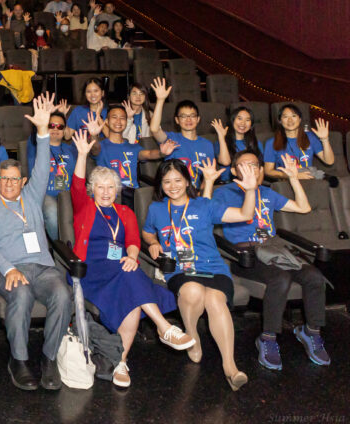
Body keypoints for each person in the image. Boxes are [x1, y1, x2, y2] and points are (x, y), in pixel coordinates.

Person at [71, 131, 194, 388]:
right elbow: (77, 182)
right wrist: (82, 154)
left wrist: (132, 255)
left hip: (120, 267)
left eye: (111, 187)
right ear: (93, 190)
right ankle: (164, 327)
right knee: (131, 277)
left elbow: (134, 241)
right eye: (100, 187)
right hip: (90, 270)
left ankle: (121, 361)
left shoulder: (125, 211)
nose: (106, 192)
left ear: (118, 190)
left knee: (133, 295)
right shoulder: (85, 207)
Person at [0, 93, 71, 391]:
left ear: (22, 181)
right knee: (20, 295)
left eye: (14, 179)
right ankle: (18, 360)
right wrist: (8, 269)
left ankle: (48, 358)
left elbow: (43, 165)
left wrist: (43, 131)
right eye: (3, 179)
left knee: (62, 293)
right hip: (12, 268)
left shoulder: (31, 197)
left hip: (42, 268)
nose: (8, 184)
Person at [140, 159, 258, 391]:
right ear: (160, 185)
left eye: (177, 180)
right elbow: (146, 232)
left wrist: (251, 189)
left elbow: (245, 213)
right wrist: (153, 242)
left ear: (187, 181)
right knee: (192, 290)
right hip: (179, 270)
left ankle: (230, 367)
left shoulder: (204, 205)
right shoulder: (156, 209)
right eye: (166, 182)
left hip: (213, 268)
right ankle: (191, 337)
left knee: (215, 299)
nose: (172, 186)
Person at [206, 150, 329, 370]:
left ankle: (311, 332)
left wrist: (293, 179)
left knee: (315, 277)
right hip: (246, 256)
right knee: (281, 278)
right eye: (243, 166)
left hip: (274, 250)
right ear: (234, 170)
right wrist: (208, 183)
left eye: (254, 165)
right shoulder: (225, 193)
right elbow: (206, 211)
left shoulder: (268, 193)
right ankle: (268, 338)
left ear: (261, 170)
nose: (249, 169)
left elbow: (304, 207)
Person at [94, 105, 176, 208]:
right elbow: (94, 148)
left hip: (133, 196)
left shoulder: (132, 147)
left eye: (122, 118)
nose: (118, 121)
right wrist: (93, 135)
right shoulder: (101, 146)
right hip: (110, 195)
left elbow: (148, 154)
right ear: (106, 121)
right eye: (114, 117)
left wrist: (162, 153)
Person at [149, 78, 215, 190]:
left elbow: (207, 177)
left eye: (192, 116)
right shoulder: (171, 139)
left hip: (196, 195)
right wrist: (160, 100)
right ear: (177, 120)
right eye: (183, 116)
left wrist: (200, 196)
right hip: (174, 192)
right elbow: (154, 129)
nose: (188, 119)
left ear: (198, 119)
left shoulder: (207, 144)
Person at [26, 110, 77, 240]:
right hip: (44, 195)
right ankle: (58, 247)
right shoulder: (36, 146)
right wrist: (40, 125)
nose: (55, 129)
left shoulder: (71, 149)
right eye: (51, 125)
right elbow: (35, 137)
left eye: (60, 126)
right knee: (52, 212)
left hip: (67, 195)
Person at [263, 105, 334, 180]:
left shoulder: (311, 137)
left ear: (300, 119)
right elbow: (268, 171)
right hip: (286, 181)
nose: (290, 120)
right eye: (285, 117)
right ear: (280, 121)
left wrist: (325, 139)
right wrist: (292, 176)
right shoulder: (271, 142)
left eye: (294, 116)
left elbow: (329, 161)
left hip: (309, 180)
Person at [215, 106, 263, 180]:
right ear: (232, 120)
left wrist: (257, 186)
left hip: (252, 182)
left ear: (251, 124)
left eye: (247, 120)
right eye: (239, 118)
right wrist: (221, 137)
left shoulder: (256, 143)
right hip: (228, 185)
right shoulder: (221, 142)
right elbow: (225, 162)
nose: (243, 123)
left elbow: (261, 169)